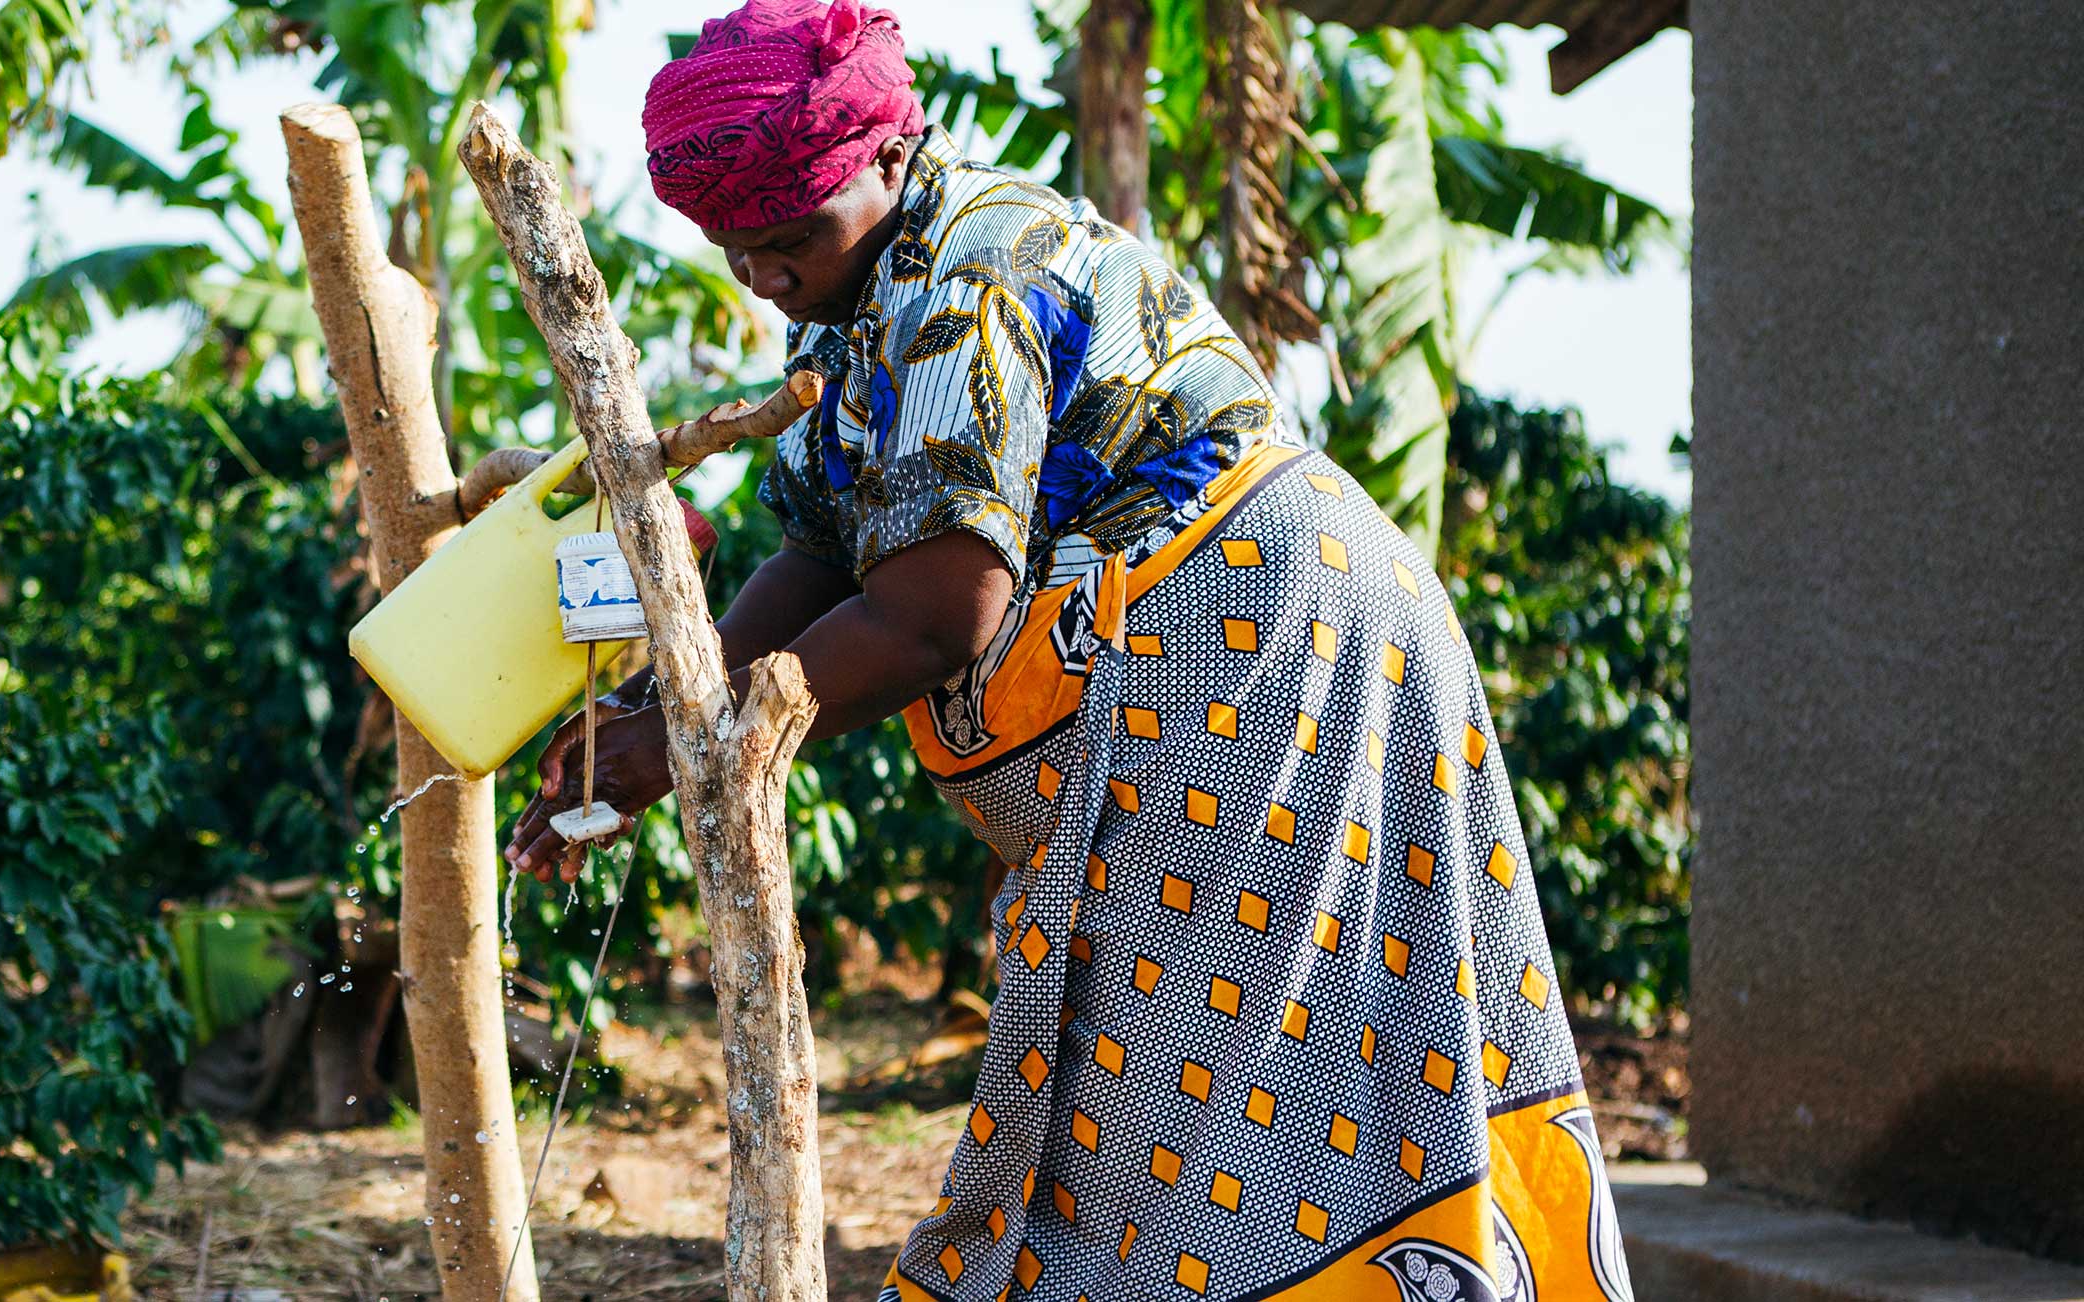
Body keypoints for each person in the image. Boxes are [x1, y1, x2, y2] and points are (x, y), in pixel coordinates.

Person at [502, 3, 1635, 1299]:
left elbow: (936, 614)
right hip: (1204, 671)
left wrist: (687, 745)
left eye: (787, 237)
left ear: (885, 155)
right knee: (1160, 1083)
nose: (763, 273)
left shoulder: (964, 284)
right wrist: (654, 709)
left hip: (1268, 651)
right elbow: (818, 551)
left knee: (1213, 1082)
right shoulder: (854, 297)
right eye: (736, 248)